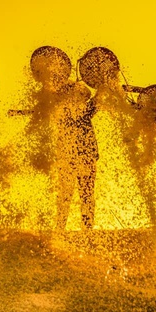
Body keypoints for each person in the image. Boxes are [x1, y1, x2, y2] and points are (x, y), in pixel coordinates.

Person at [29, 47, 99, 229]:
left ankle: (85, 227)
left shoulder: (81, 108)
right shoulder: (57, 102)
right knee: (68, 191)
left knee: (85, 190)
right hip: (68, 150)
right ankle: (62, 227)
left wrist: (102, 94)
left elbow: (92, 104)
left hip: (86, 150)